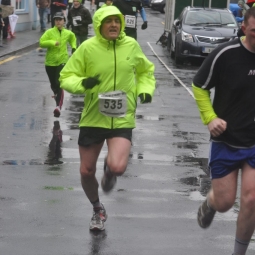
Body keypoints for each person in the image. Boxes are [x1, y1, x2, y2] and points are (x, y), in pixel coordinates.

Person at [59, 5, 155, 231]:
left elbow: (145, 71)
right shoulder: (87, 48)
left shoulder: (131, 45)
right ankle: (97, 209)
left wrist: (146, 90)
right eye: (108, 21)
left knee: (118, 167)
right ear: (100, 24)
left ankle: (111, 169)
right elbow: (66, 76)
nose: (113, 25)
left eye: (117, 21)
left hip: (121, 118)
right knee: (86, 171)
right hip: (94, 117)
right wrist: (82, 84)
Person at [192, 7, 255, 255]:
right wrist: (210, 118)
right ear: (244, 28)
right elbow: (199, 86)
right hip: (227, 140)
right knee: (226, 202)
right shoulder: (226, 54)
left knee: (251, 200)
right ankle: (210, 203)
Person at [39, 12, 76, 117]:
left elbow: (73, 39)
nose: (58, 21)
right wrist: (52, 42)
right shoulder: (49, 32)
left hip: (62, 61)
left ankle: (58, 107)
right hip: (50, 62)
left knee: (58, 82)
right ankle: (56, 96)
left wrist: (73, 48)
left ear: (64, 21)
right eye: (56, 20)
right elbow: (41, 42)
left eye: (60, 19)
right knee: (53, 85)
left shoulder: (68, 33)